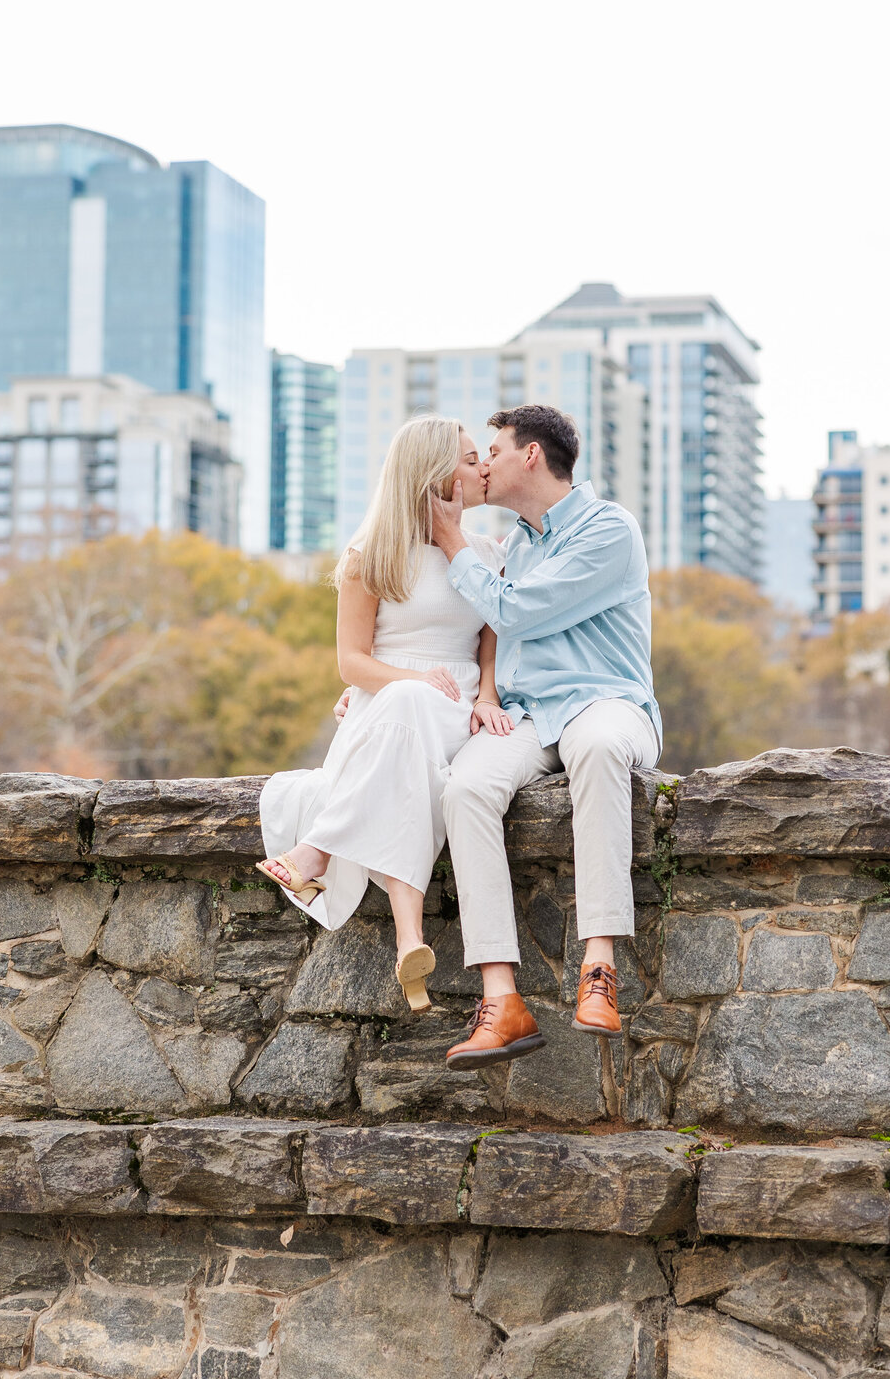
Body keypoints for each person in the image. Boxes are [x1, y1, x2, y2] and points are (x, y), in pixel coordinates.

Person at [255, 415, 518, 1019]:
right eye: (472, 457)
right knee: (404, 723)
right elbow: (351, 662)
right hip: (384, 702)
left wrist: (486, 699)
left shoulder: (487, 555)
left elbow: (491, 643)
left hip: (454, 702)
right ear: (433, 472)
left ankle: (315, 852)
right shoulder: (369, 555)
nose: (484, 467)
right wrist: (408, 681)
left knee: (412, 720)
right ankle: (410, 938)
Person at [428, 403, 661, 1069]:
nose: (484, 463)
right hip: (531, 715)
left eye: (493, 450)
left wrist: (452, 544)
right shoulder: (517, 545)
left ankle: (600, 966)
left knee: (597, 746)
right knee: (466, 787)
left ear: (531, 455)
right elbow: (470, 631)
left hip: (605, 703)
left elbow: (515, 612)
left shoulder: (608, 528)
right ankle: (502, 999)